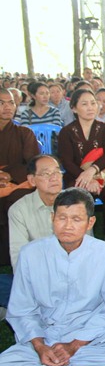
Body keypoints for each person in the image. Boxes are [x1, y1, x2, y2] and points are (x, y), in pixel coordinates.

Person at [0, 188, 105, 366]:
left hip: (88, 335)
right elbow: (22, 310)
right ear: (52, 218)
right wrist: (40, 347)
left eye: (76, 219)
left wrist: (74, 345)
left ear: (90, 222)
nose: (68, 226)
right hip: (44, 333)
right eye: (62, 218)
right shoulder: (31, 254)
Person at [58, 88, 105, 218]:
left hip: (104, 173)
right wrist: (87, 179)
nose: (90, 107)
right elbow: (67, 161)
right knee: (75, 195)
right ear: (74, 108)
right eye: (84, 104)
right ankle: (80, 228)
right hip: (76, 175)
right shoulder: (66, 132)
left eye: (93, 103)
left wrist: (92, 172)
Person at [0, 88, 40, 266]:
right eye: (1, 103)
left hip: (18, 182)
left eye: (11, 103)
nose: (7, 107)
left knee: (18, 200)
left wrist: (9, 174)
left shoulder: (24, 133)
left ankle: (17, 253)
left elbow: (32, 164)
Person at [8, 155, 63, 268]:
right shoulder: (19, 210)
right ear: (32, 180)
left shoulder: (76, 203)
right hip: (38, 270)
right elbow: (18, 257)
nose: (54, 178)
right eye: (46, 173)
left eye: (57, 172)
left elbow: (87, 249)